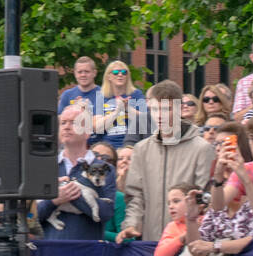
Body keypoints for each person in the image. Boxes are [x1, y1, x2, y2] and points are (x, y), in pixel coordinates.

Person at [117, 81, 217, 242]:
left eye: (166, 109)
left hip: (188, 243)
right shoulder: (141, 149)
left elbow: (204, 199)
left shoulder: (202, 149)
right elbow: (135, 196)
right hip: (150, 242)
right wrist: (132, 225)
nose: (160, 115)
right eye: (155, 109)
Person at [36, 102, 115, 240]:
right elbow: (31, 216)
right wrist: (54, 200)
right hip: (50, 252)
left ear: (88, 132)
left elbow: (105, 213)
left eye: (73, 122)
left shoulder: (104, 169)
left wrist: (74, 194)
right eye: (63, 123)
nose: (66, 127)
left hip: (88, 252)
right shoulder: (45, 167)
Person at [95, 59, 147, 148]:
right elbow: (98, 128)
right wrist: (117, 111)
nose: (120, 75)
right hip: (108, 146)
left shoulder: (136, 94)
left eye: (124, 72)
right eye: (115, 72)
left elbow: (145, 122)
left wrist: (127, 109)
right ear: (109, 77)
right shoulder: (101, 97)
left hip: (132, 145)